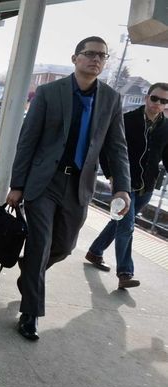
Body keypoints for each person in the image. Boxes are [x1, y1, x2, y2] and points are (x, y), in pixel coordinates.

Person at [6, 36, 131, 341]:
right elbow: (28, 140)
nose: (96, 60)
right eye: (90, 54)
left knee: (63, 247)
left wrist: (122, 188)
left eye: (102, 56)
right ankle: (31, 313)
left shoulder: (112, 100)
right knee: (40, 243)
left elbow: (116, 148)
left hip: (78, 186)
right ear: (75, 58)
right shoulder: (50, 93)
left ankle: (29, 271)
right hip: (44, 183)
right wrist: (17, 185)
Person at [86, 82, 168, 289]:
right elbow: (107, 149)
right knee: (127, 227)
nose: (158, 104)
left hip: (147, 186)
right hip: (124, 182)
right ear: (146, 97)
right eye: (155, 98)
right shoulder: (126, 120)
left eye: (163, 101)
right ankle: (125, 273)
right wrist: (112, 175)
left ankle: (95, 251)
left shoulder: (166, 128)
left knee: (119, 221)